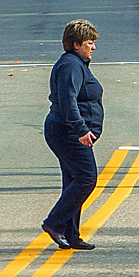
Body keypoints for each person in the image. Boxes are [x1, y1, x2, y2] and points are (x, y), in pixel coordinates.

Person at [42, 19, 102, 250]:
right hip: (67, 132)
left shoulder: (77, 63)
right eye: (89, 43)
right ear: (76, 44)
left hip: (69, 131)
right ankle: (54, 223)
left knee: (73, 181)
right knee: (87, 179)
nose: (93, 47)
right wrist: (81, 130)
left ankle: (71, 235)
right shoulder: (70, 65)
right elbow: (68, 101)